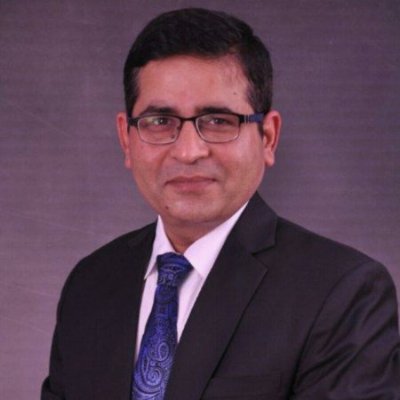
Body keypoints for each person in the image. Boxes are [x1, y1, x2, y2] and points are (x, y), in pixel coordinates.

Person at [41, 8, 400, 400]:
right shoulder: (90, 285)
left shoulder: (341, 292)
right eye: (160, 121)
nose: (188, 151)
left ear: (268, 137)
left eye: (217, 121)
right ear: (127, 140)